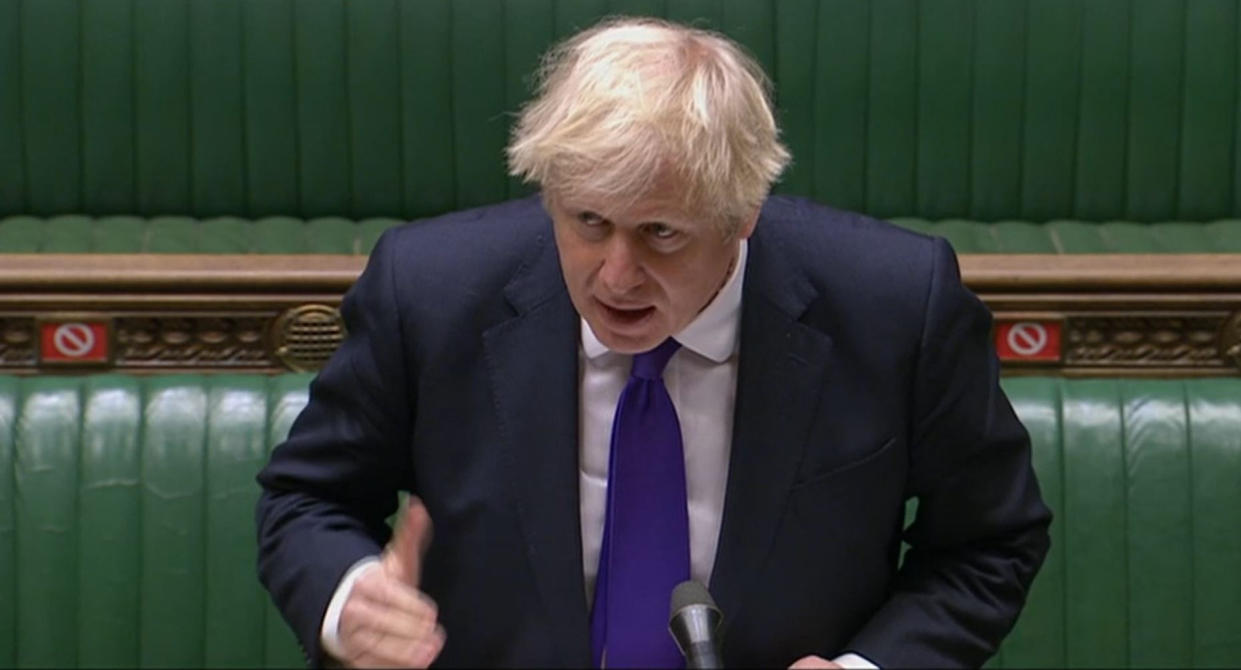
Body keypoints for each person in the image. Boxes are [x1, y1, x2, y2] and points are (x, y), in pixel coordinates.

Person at [256, 16, 1051, 669]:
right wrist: (347, 594)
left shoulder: (893, 306)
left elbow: (988, 542)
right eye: (587, 222)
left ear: (743, 216)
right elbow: (307, 498)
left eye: (661, 233)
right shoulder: (428, 292)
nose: (615, 275)